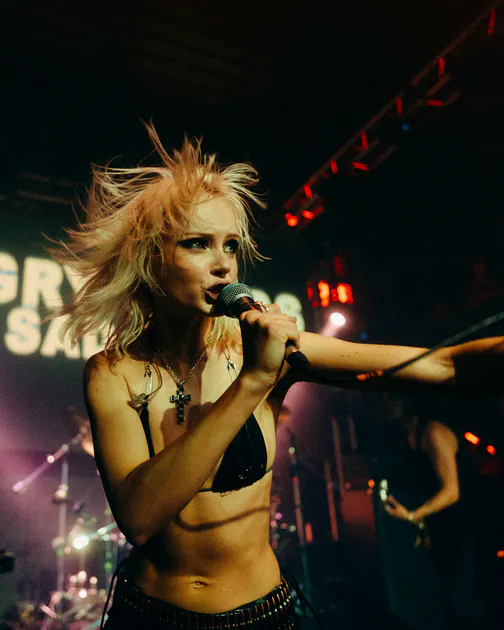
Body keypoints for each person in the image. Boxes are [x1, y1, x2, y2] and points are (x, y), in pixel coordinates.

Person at [51, 123, 504, 629]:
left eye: (230, 246)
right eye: (197, 244)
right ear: (151, 257)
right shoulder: (114, 373)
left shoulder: (268, 350)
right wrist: (252, 383)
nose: (223, 265)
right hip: (156, 618)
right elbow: (138, 518)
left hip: (265, 615)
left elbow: (445, 364)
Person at [383, 395, 490, 628]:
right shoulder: (408, 439)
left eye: (392, 399)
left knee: (462, 604)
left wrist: (414, 515)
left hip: (465, 529)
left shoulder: (433, 433)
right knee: (444, 605)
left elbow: (452, 491)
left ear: (405, 401)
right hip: (444, 532)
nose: (385, 405)